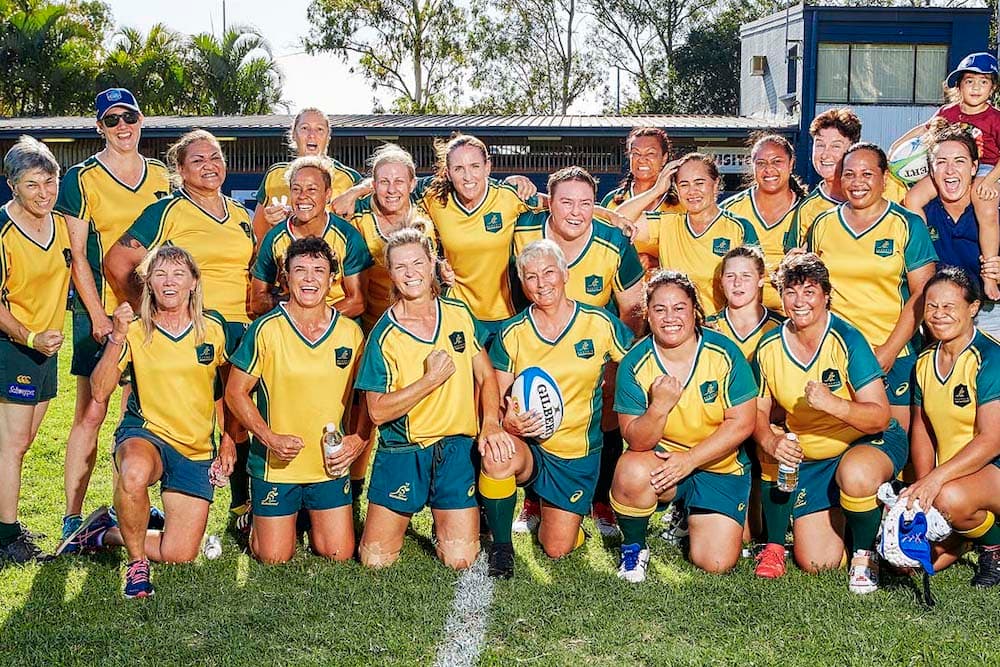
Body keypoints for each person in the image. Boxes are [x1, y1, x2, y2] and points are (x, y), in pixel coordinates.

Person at [63, 246, 236, 599]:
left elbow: (227, 390)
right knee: (134, 473)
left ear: (193, 282)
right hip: (146, 434)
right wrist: (117, 337)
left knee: (180, 554)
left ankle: (104, 531)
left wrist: (228, 440)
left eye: (177, 274)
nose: (169, 281)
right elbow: (98, 390)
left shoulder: (215, 329)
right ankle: (137, 563)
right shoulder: (136, 330)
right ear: (149, 283)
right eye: (160, 274)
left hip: (196, 448)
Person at [105, 129, 255, 522]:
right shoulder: (168, 210)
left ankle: (245, 503)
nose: (210, 166)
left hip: (241, 328)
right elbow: (117, 262)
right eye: (198, 160)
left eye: (216, 157)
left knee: (242, 416)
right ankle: (151, 488)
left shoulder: (240, 214)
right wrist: (150, 308)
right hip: (196, 330)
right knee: (207, 409)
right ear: (180, 170)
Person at [752, 253, 908, 594]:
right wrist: (770, 441)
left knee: (855, 474)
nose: (799, 301)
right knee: (817, 563)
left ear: (825, 295)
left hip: (866, 442)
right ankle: (868, 518)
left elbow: (880, 415)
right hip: (814, 456)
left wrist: (834, 404)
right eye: (790, 292)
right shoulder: (769, 346)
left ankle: (865, 555)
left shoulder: (848, 338)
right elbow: (758, 415)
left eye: (809, 291)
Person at [56, 88, 171, 547]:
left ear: (141, 121)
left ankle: (135, 501)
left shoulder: (162, 174)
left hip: (153, 312)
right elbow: (78, 256)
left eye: (131, 117)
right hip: (102, 310)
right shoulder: (80, 177)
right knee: (91, 411)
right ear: (99, 127)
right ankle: (72, 516)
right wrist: (98, 315)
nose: (123, 126)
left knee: (140, 414)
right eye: (113, 119)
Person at [355, 228, 508, 569]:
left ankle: (449, 514)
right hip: (404, 451)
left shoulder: (457, 313)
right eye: (400, 267)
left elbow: (485, 375)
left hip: (455, 448)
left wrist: (492, 423)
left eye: (417, 263)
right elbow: (377, 411)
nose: (411, 274)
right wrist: (429, 381)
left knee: (461, 558)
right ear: (390, 274)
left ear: (431, 264)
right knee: (375, 560)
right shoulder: (383, 334)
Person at [481, 240, 633, 577]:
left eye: (549, 272)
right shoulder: (513, 333)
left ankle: (565, 518)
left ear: (565, 274)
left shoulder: (599, 323)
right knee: (497, 453)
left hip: (574, 454)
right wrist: (507, 422)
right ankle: (502, 548)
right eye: (531, 276)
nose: (542, 283)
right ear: (522, 283)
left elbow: (638, 366)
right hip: (530, 448)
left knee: (557, 547)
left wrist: (619, 406)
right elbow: (498, 393)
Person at [511, 166, 645, 536]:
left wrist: (618, 363)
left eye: (586, 204)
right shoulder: (524, 229)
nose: (575, 212)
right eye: (566, 202)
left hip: (593, 347)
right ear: (548, 203)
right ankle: (533, 499)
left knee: (604, 413)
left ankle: (601, 500)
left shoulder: (614, 241)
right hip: (538, 339)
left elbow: (633, 307)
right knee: (531, 406)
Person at [227, 238, 367, 564]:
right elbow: (235, 392)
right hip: (277, 466)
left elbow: (365, 401)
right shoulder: (265, 329)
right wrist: (269, 438)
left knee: (338, 553)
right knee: (273, 556)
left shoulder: (350, 333)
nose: (309, 279)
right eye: (299, 270)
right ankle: (257, 520)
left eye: (319, 270)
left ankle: (302, 516)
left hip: (327, 465)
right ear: (285, 278)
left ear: (333, 278)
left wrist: (357, 441)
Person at [611, 271, 757, 581]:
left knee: (716, 562)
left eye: (679, 307)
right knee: (631, 470)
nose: (669, 317)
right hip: (664, 463)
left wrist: (689, 460)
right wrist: (659, 407)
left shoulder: (724, 353)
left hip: (719, 465)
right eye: (659, 309)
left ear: (694, 311)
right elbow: (635, 440)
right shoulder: (635, 363)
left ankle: (687, 515)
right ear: (648, 314)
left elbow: (743, 423)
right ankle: (634, 548)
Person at [807, 143, 938, 430]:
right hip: (836, 352)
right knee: (839, 444)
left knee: (893, 444)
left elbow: (922, 293)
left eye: (867, 174)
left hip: (891, 353)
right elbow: (811, 292)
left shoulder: (907, 224)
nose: (857, 182)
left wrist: (889, 351)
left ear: (884, 178)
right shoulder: (822, 224)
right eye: (849, 174)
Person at [904, 267, 1000, 587]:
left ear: (972, 308)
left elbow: (992, 440)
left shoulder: (990, 357)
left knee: (948, 497)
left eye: (949, 307)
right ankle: (964, 533)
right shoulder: (923, 361)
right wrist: (921, 488)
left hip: (990, 468)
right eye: (932, 307)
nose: (938, 315)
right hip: (954, 479)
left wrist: (934, 483)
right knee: (905, 563)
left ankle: (993, 546)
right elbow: (922, 430)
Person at [0, 137, 72, 563]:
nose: (43, 193)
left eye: (50, 181)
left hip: (48, 349)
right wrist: (27, 336)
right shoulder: (4, 232)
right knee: (12, 445)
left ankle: (6, 522)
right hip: (16, 347)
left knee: (22, 442)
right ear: (13, 187)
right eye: (32, 185)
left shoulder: (62, 225)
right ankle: (7, 537)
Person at [897, 53, 1000, 300]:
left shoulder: (995, 118)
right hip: (949, 165)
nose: (976, 88)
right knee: (912, 199)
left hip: (987, 168)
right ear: (959, 85)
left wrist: (990, 180)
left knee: (986, 207)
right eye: (970, 81)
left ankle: (989, 272)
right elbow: (925, 129)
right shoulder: (949, 112)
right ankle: (926, 257)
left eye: (983, 82)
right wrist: (898, 145)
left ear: (993, 87)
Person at [704, 245, 784, 544]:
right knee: (744, 535)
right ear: (721, 281)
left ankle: (780, 519)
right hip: (723, 425)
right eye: (731, 276)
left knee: (756, 530)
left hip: (768, 423)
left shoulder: (781, 326)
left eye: (746, 276)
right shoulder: (708, 328)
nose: (737, 284)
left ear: (762, 279)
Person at [621, 153, 759, 314]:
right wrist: (656, 190)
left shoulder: (738, 227)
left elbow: (754, 289)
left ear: (715, 185)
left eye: (699, 183)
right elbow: (619, 221)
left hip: (722, 331)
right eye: (684, 184)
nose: (692, 191)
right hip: (676, 327)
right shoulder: (667, 223)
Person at [251, 155, 373, 321]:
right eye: (296, 189)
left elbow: (357, 302)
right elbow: (258, 302)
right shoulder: (274, 237)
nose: (302, 196)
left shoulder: (348, 235)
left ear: (328, 194)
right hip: (289, 321)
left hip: (335, 323)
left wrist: (315, 317)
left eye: (312, 189)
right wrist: (294, 312)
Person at [349, 143, 439, 333]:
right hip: (373, 326)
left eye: (399, 181)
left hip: (421, 324)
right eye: (384, 182)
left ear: (412, 184)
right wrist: (353, 193)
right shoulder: (358, 220)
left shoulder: (427, 216)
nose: (391, 190)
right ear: (373, 185)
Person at [922, 125, 1000, 337]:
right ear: (931, 169)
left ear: (974, 167)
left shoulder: (990, 205)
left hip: (990, 312)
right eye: (941, 162)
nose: (950, 170)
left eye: (959, 161)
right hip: (940, 317)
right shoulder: (922, 209)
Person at [797, 108, 908, 245]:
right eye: (820, 145)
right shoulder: (808, 209)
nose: (825, 155)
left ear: (853, 148)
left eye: (836, 146)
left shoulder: (891, 184)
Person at [252, 108, 363, 243]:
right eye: (305, 128)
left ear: (328, 136)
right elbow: (257, 237)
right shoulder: (274, 175)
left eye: (319, 129)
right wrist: (273, 225)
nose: (312, 135)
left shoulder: (349, 178)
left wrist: (357, 191)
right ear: (293, 134)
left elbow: (383, 186)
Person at [721, 134, 804, 310]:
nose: (769, 169)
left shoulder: (809, 210)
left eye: (777, 162)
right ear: (752, 166)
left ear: (791, 164)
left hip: (794, 315)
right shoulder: (730, 210)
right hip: (741, 315)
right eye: (761, 163)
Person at [600, 127, 684, 269]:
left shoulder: (680, 205)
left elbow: (690, 253)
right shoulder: (612, 200)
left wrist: (655, 262)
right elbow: (599, 248)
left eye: (650, 153)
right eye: (636, 154)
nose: (642, 159)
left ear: (664, 158)